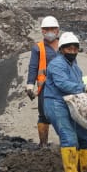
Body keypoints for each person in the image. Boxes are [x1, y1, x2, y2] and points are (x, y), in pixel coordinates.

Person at [42, 32, 87, 172]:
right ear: (61, 50)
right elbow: (62, 84)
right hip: (56, 103)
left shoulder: (75, 67)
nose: (72, 51)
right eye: (69, 49)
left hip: (71, 104)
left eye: (75, 49)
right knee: (69, 137)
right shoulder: (56, 64)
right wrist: (84, 88)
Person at [26, 16, 61, 147]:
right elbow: (33, 67)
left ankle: (66, 143)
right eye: (46, 29)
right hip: (45, 87)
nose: (49, 32)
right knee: (44, 114)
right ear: (42, 31)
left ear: (57, 30)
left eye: (52, 29)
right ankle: (43, 144)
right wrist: (30, 84)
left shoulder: (65, 45)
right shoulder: (38, 48)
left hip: (63, 85)